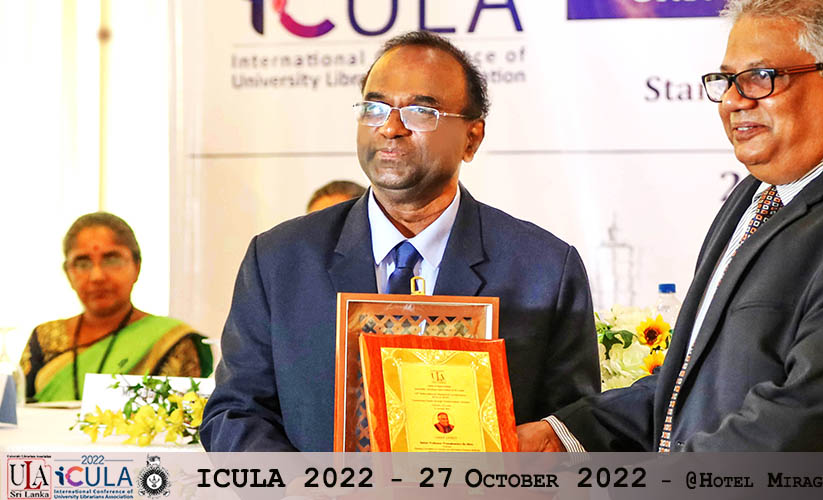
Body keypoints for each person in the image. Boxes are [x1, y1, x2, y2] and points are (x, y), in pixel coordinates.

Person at [518, 0, 823, 452]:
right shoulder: (758, 192)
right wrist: (565, 432)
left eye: (760, 78)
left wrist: (640, 483)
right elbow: (694, 384)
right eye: (727, 81)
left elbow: (793, 427)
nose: (733, 101)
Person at [200, 31, 599, 451]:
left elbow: (571, 428)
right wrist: (307, 484)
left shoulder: (544, 270)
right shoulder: (280, 260)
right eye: (374, 108)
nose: (390, 128)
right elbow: (235, 413)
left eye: (421, 112)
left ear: (472, 138)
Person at [20, 213, 213, 402]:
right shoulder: (44, 337)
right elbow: (18, 409)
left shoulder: (173, 341)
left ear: (137, 267)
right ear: (68, 273)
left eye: (111, 260)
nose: (97, 276)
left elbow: (185, 415)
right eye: (83, 263)